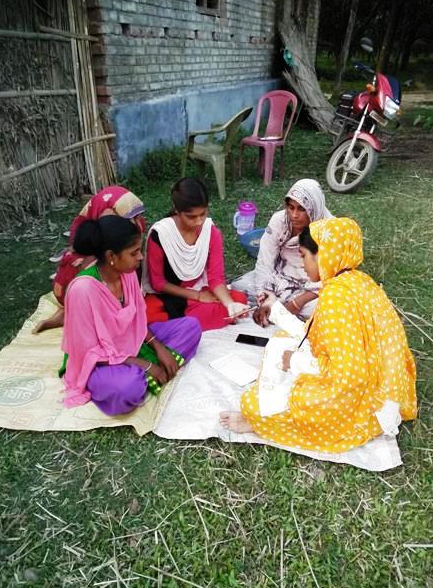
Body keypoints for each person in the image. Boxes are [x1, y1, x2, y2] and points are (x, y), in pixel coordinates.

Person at [220, 217, 417, 453]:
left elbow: (348, 375)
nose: (303, 265)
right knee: (283, 338)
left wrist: (295, 362)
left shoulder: (336, 298)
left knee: (254, 406)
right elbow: (315, 333)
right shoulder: (357, 281)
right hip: (384, 387)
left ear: (323, 255)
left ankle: (258, 423)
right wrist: (275, 307)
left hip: (363, 399)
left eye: (304, 256)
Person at [61, 215, 202, 415]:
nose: (140, 257)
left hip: (133, 343)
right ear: (111, 256)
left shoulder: (127, 274)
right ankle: (142, 377)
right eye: (134, 252)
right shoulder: (82, 290)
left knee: (191, 327)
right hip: (98, 361)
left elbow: (138, 321)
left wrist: (159, 347)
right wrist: (146, 365)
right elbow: (88, 351)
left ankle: (148, 375)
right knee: (127, 389)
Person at [34, 185, 146, 334]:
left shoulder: (132, 228)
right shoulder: (85, 264)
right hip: (82, 289)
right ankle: (67, 314)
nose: (136, 222)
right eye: (132, 218)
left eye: (137, 216)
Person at [143, 177, 248, 331]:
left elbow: (215, 278)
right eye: (191, 217)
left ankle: (179, 325)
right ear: (177, 210)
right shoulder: (160, 235)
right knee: (147, 312)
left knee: (239, 299)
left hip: (199, 290)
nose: (199, 221)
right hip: (171, 296)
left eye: (203, 214)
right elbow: (158, 283)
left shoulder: (211, 232)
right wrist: (197, 296)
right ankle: (183, 324)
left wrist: (230, 304)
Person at [232, 178, 333, 326]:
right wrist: (266, 296)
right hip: (279, 276)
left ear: (314, 208)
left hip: (311, 288)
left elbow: (329, 276)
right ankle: (276, 304)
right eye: (291, 207)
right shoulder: (279, 220)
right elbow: (265, 260)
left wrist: (295, 304)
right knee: (239, 286)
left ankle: (283, 306)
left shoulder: (329, 231)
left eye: (301, 209)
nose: (294, 215)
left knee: (323, 311)